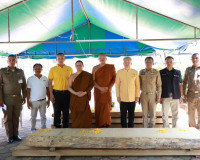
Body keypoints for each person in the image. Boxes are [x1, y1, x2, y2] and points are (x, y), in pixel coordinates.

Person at [0, 55, 26, 143]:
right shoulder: (2, 71)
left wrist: (24, 96)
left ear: (16, 61)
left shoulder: (20, 72)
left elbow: (24, 85)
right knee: (8, 118)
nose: (12, 61)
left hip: (18, 98)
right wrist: (0, 99)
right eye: (10, 60)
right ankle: (9, 136)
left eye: (13, 60)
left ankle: (15, 135)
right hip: (7, 99)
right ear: (7, 61)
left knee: (16, 117)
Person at [48, 53, 73, 128]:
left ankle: (65, 127)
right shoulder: (53, 69)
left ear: (64, 59)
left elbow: (72, 81)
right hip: (56, 93)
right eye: (59, 58)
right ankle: (57, 127)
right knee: (57, 112)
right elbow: (49, 83)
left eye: (62, 58)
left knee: (66, 112)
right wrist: (51, 94)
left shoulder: (70, 68)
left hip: (67, 93)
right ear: (56, 59)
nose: (60, 60)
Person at [68, 60, 94, 128]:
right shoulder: (72, 76)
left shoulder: (88, 75)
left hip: (84, 97)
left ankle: (86, 128)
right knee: (75, 113)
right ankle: (76, 127)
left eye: (80, 65)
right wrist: (76, 93)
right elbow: (68, 87)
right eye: (77, 65)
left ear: (83, 66)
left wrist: (85, 92)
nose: (78, 66)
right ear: (75, 66)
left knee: (85, 114)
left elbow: (91, 85)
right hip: (74, 98)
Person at [92, 54, 116, 128]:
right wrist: (100, 88)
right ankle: (98, 124)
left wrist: (108, 88)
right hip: (98, 91)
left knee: (106, 107)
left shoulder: (111, 67)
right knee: (98, 107)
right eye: (100, 58)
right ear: (98, 59)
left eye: (103, 58)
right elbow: (92, 80)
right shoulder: (95, 68)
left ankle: (106, 124)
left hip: (107, 91)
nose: (102, 59)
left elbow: (114, 79)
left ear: (106, 58)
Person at [116, 57, 140, 128]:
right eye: (125, 62)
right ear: (123, 63)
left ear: (131, 63)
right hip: (122, 98)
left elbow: (137, 85)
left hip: (132, 98)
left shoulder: (135, 72)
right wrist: (118, 96)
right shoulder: (119, 72)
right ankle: (123, 130)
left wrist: (137, 96)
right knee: (123, 115)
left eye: (128, 62)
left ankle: (131, 129)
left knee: (131, 115)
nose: (127, 63)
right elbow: (117, 85)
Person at [160, 56, 183, 128]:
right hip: (165, 96)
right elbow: (159, 85)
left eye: (170, 62)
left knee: (175, 114)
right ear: (165, 63)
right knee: (165, 115)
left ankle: (175, 129)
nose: (169, 63)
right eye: (167, 62)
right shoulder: (161, 72)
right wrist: (159, 96)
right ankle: (166, 130)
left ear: (173, 63)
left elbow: (180, 85)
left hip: (175, 96)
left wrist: (181, 96)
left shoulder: (178, 72)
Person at [139, 57, 162, 128]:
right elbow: (138, 85)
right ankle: (145, 129)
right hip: (143, 95)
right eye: (147, 62)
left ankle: (151, 129)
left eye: (150, 62)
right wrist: (138, 96)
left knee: (152, 114)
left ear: (152, 63)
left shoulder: (156, 72)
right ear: (145, 63)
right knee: (144, 114)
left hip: (153, 95)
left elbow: (159, 85)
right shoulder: (141, 72)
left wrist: (158, 97)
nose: (148, 63)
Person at [27, 63, 50, 131]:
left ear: (41, 69)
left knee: (43, 116)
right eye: (36, 68)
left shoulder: (45, 78)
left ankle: (43, 128)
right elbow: (28, 91)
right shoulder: (30, 79)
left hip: (43, 100)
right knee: (33, 116)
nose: (38, 70)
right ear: (33, 69)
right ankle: (33, 128)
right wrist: (28, 101)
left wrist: (48, 100)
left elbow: (47, 90)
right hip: (34, 101)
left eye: (39, 68)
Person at [183, 53, 200, 128]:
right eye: (193, 58)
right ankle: (192, 131)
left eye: (196, 58)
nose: (194, 59)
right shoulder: (188, 70)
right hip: (190, 95)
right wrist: (184, 94)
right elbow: (184, 82)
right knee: (191, 114)